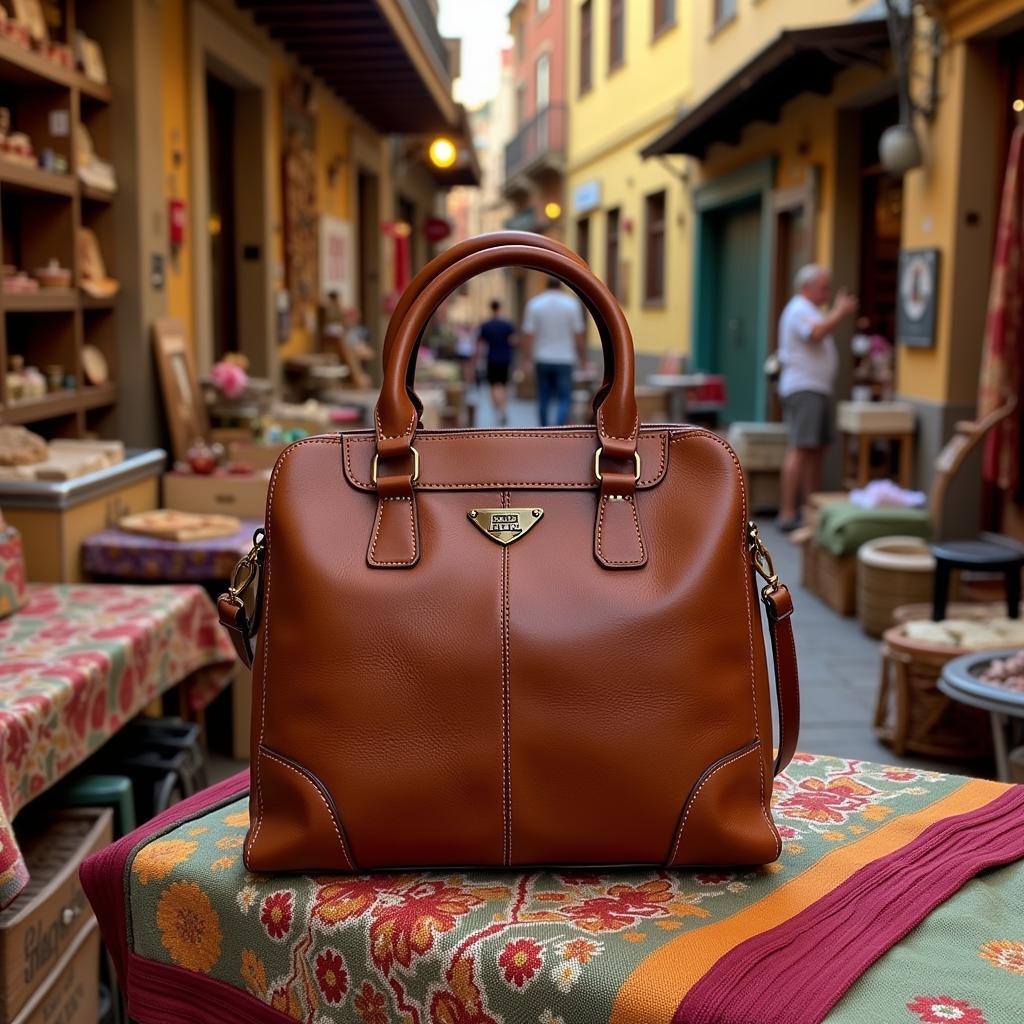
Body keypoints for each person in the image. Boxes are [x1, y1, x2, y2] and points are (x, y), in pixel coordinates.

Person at [776, 264, 858, 532]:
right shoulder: (799, 308)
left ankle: (809, 509)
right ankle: (788, 512)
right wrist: (840, 312)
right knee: (801, 449)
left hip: (816, 388)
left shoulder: (808, 310)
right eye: (823, 287)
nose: (826, 292)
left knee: (815, 450)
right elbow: (816, 333)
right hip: (805, 387)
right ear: (806, 287)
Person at [521, 278, 587, 426]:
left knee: (543, 397)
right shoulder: (571, 305)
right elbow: (578, 334)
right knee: (564, 398)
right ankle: (559, 428)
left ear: (546, 286)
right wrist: (583, 359)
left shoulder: (534, 304)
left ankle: (544, 430)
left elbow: (529, 335)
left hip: (542, 358)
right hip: (565, 358)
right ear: (561, 286)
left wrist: (526, 359)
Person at [477, 299, 517, 426]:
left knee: (494, 386)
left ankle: (498, 410)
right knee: (504, 386)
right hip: (505, 359)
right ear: (500, 308)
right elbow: (514, 341)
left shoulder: (486, 325)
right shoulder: (507, 325)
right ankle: (503, 408)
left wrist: (478, 360)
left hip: (491, 358)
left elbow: (481, 344)